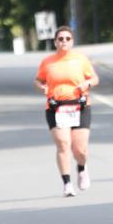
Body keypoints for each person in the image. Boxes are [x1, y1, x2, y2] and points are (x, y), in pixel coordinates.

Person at [34, 26, 100, 197]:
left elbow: (94, 78)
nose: (64, 41)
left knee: (80, 149)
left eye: (67, 39)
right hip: (56, 107)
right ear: (55, 42)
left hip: (79, 106)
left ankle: (81, 167)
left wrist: (87, 84)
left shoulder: (81, 59)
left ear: (72, 41)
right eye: (60, 39)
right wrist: (43, 87)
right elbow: (38, 80)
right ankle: (67, 184)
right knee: (63, 144)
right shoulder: (47, 62)